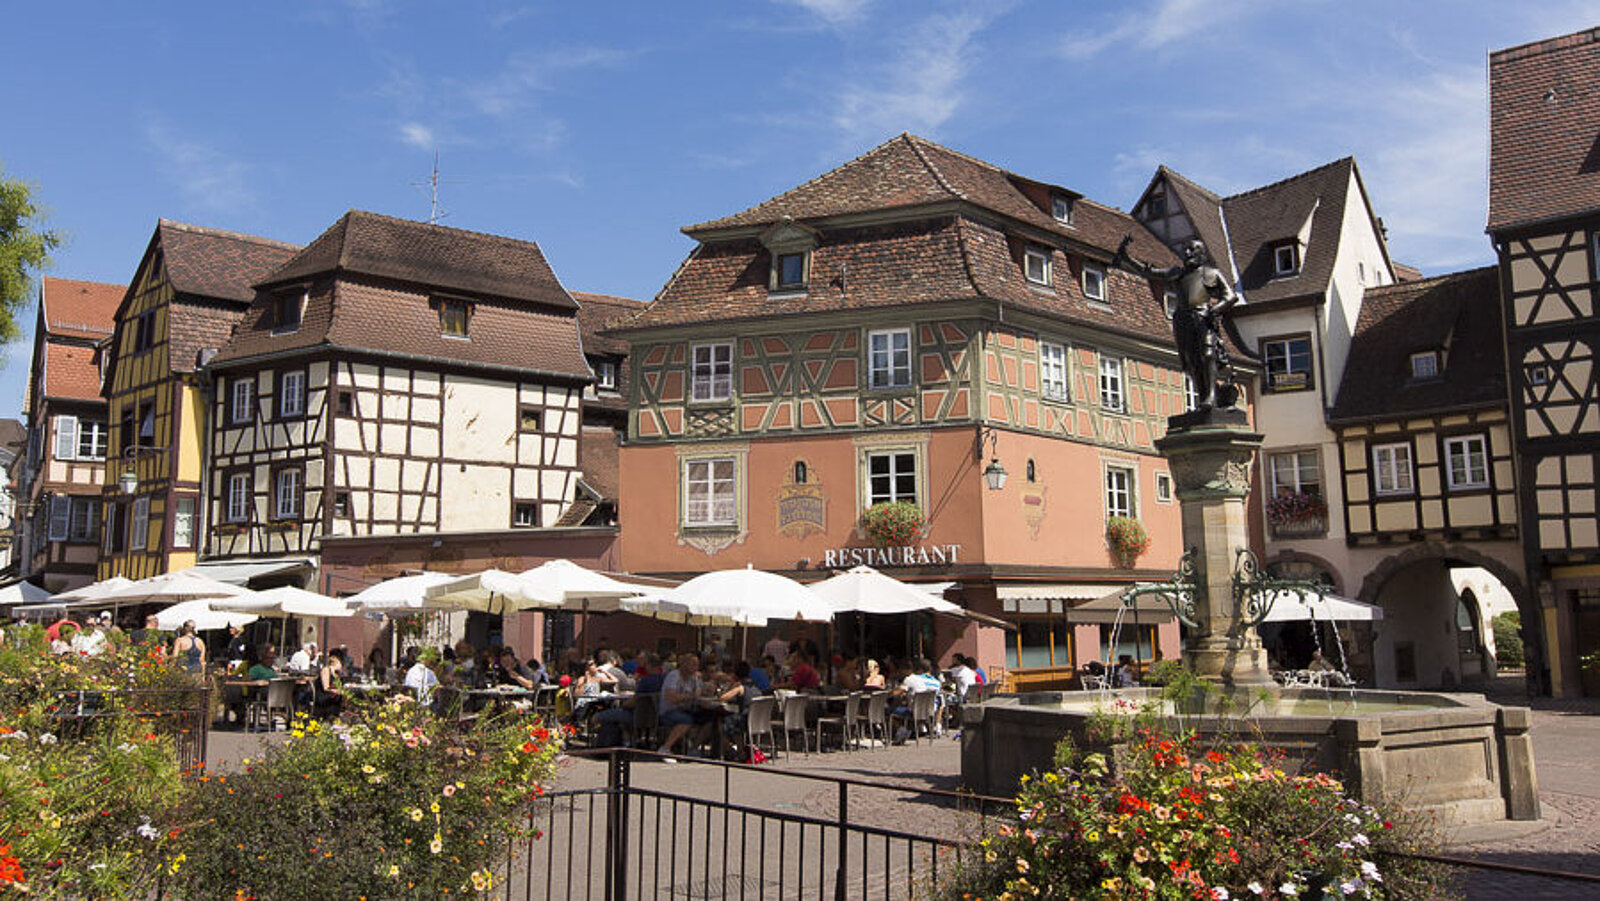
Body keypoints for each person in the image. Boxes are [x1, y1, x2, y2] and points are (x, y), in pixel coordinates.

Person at [1113, 236, 1243, 413]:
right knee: (1192, 360)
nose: (1187, 254)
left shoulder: (1212, 273)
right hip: (1183, 319)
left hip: (1203, 316)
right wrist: (1127, 258)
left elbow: (1230, 296)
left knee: (1207, 354)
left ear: (1201, 254)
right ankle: (1202, 397)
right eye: (1185, 251)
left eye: (1192, 250)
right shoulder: (1178, 273)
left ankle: (1211, 396)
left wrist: (1216, 309)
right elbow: (1149, 272)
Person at [657, 654, 710, 756]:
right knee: (686, 720)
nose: (695, 667)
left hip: (687, 709)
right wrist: (690, 696)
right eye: (693, 664)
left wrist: (707, 689)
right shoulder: (674, 676)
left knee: (710, 719)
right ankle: (665, 747)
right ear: (684, 664)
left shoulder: (693, 678)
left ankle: (694, 747)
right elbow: (671, 697)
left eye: (697, 665)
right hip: (669, 711)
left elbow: (699, 692)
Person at [314, 652, 345, 718]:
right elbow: (326, 688)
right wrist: (337, 691)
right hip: (323, 696)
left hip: (331, 696)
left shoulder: (336, 674)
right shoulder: (326, 670)